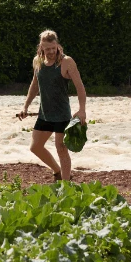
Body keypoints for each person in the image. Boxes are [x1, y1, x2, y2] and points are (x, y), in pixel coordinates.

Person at [18, 30, 87, 182]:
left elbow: (80, 87)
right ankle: (57, 172)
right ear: (41, 47)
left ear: (57, 45)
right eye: (47, 48)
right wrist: (25, 107)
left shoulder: (67, 61)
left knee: (61, 148)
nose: (50, 52)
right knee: (35, 147)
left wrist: (82, 110)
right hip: (45, 113)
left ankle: (66, 185)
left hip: (62, 114)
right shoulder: (38, 61)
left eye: (53, 48)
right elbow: (34, 85)